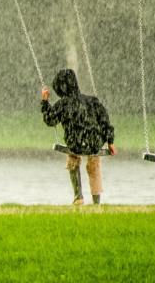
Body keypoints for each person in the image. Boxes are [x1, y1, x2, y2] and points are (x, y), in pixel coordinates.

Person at [40, 68, 116, 205]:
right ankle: (96, 201)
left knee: (73, 160)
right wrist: (110, 142)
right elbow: (104, 120)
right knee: (94, 165)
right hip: (94, 143)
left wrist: (45, 102)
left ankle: (78, 196)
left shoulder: (63, 104)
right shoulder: (92, 101)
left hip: (75, 143)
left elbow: (50, 120)